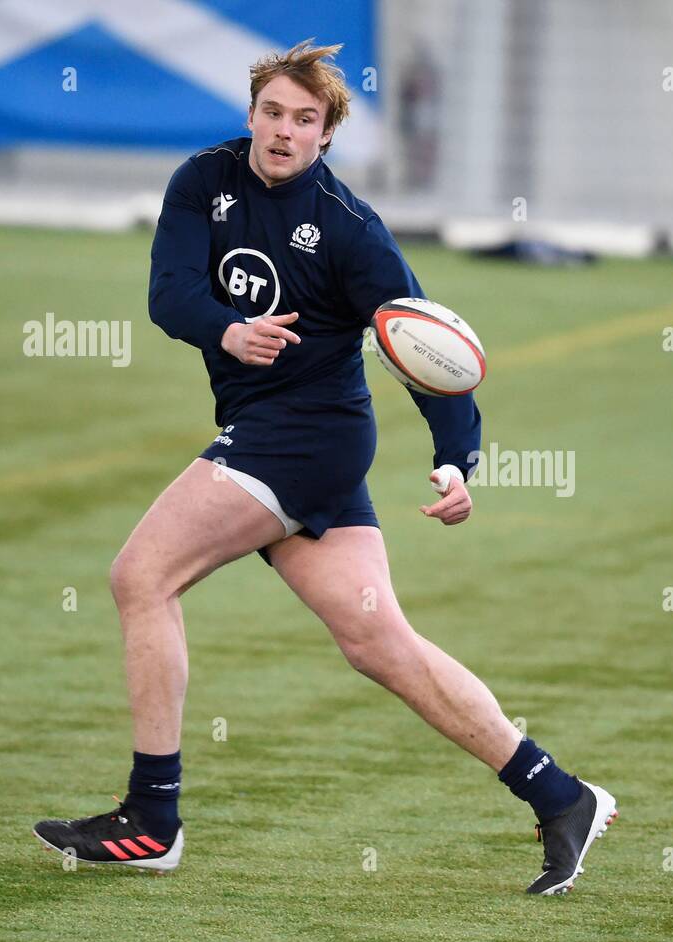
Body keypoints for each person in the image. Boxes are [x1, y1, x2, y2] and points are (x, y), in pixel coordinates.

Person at [33, 40, 617, 896]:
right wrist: (227, 332)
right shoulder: (203, 180)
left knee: (140, 576)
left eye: (305, 120)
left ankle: (152, 819)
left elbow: (429, 346)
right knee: (381, 644)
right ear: (251, 115)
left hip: (305, 438)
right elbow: (169, 293)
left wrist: (458, 463)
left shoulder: (350, 230)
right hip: (279, 434)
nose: (283, 131)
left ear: (327, 136)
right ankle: (561, 796)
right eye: (272, 112)